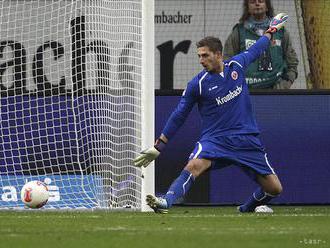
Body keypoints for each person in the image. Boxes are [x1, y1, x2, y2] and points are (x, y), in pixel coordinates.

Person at [134, 13, 288, 214]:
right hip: (216, 140)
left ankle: (247, 208)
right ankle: (165, 202)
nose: (201, 60)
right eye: (199, 56)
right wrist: (160, 145)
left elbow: (257, 49)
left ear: (218, 54)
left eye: (205, 55)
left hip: (246, 139)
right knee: (194, 166)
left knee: (275, 188)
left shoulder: (237, 66)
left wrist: (271, 31)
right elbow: (179, 114)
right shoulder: (197, 84)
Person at [224, 0, 298, 89]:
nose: (257, 4)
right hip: (247, 91)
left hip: (276, 92)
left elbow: (292, 62)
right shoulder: (238, 32)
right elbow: (228, 62)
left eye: (261, 1)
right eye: (252, 2)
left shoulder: (280, 31)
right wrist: (238, 86)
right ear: (247, 8)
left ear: (267, 7)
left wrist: (285, 83)